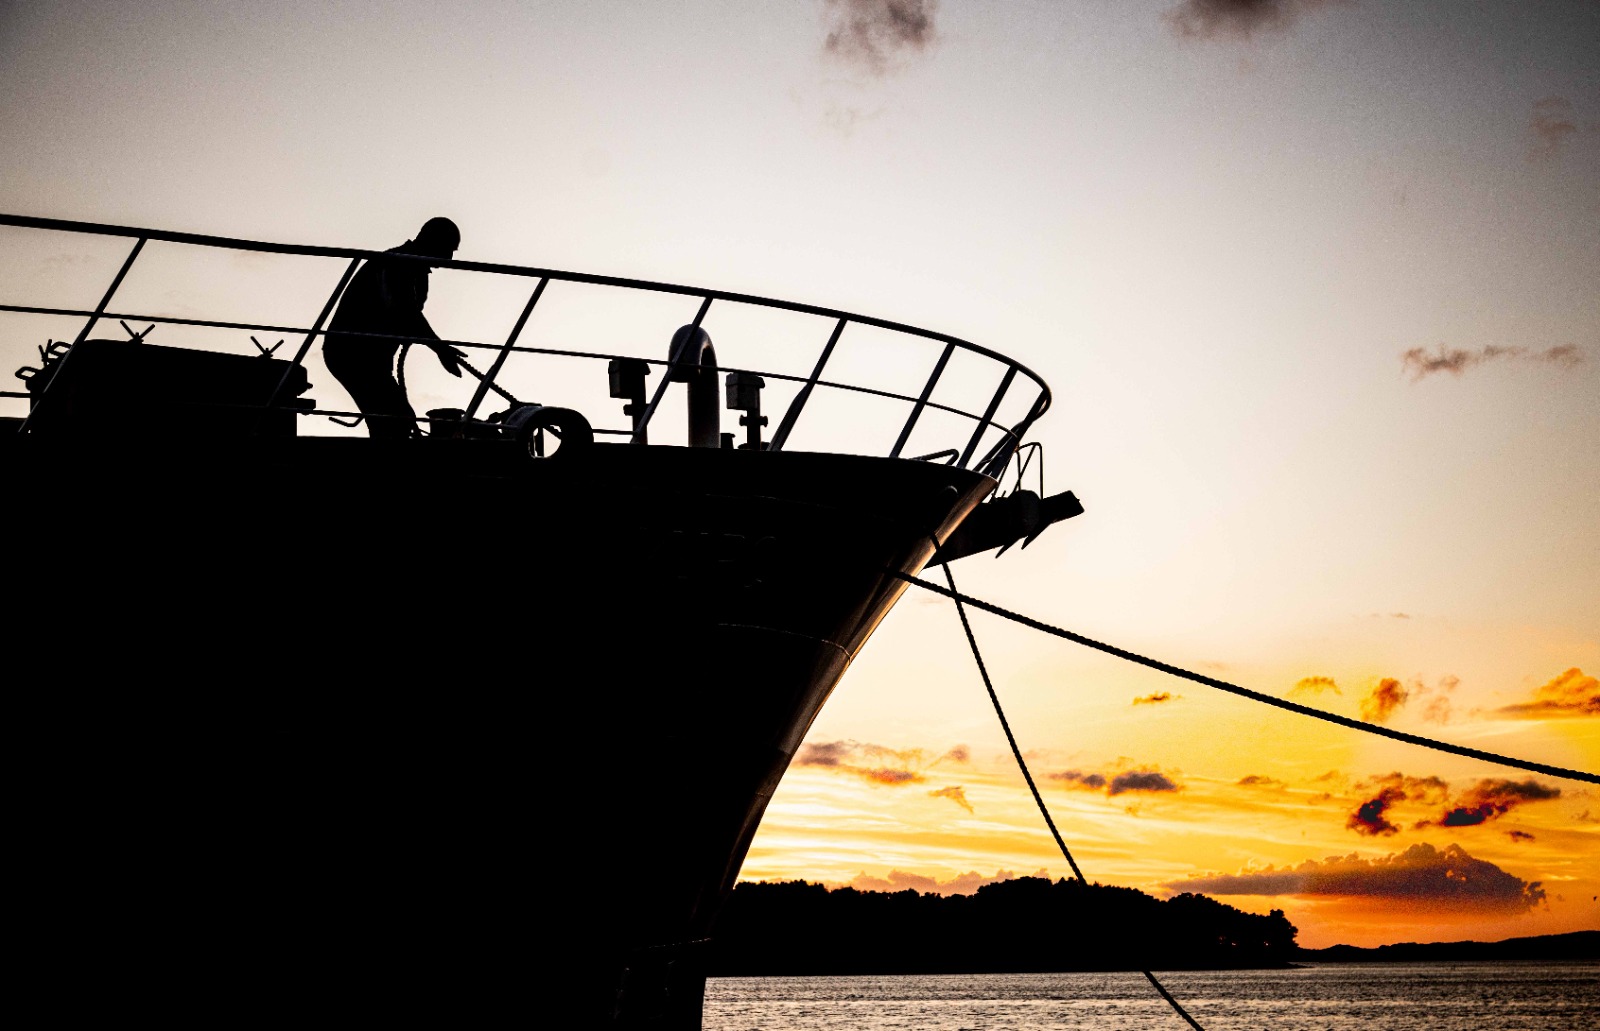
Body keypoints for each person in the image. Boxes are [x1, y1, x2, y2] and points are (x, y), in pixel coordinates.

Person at [323, 217, 467, 439]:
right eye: (448, 249)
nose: (449, 258)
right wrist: (440, 348)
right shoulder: (397, 263)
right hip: (353, 354)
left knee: (397, 418)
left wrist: (437, 347)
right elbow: (406, 313)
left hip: (371, 357)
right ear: (431, 241)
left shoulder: (415, 271)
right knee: (395, 419)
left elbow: (408, 317)